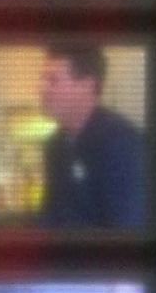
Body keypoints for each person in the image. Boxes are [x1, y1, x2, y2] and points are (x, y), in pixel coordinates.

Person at [36, 44, 148, 229]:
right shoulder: (54, 145)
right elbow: (49, 217)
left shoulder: (121, 145)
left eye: (53, 80)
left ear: (86, 86)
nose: (41, 88)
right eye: (42, 78)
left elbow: (127, 228)